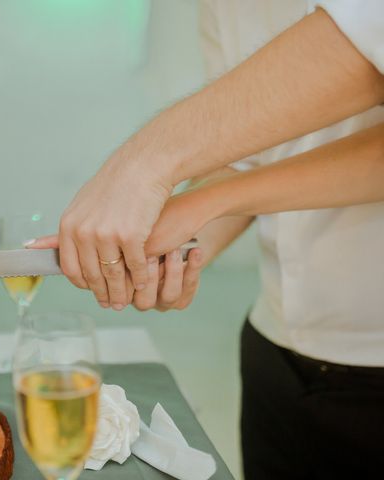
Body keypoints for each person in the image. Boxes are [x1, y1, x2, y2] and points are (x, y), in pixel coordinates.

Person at [31, 2, 384, 478]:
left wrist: (144, 169)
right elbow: (245, 154)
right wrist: (176, 246)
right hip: (273, 350)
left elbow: (364, 55)